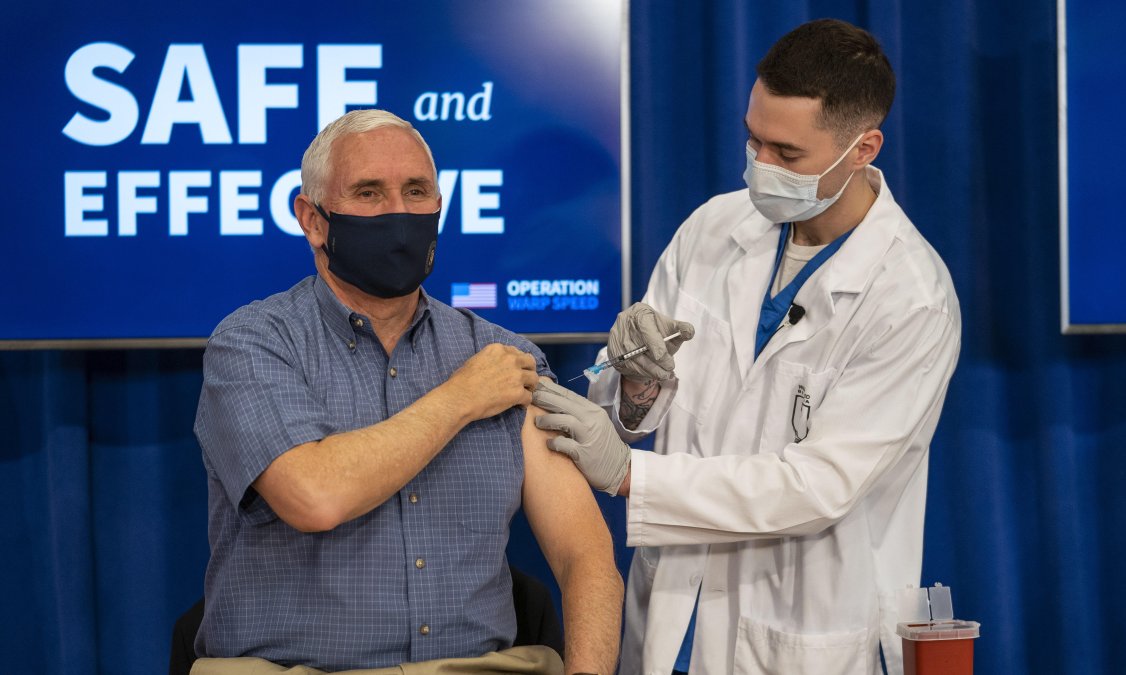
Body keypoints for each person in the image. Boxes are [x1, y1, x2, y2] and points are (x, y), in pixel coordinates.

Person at [532, 19, 961, 675]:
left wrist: (630, 474)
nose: (761, 167)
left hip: (796, 631)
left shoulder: (911, 298)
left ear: (863, 148)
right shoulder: (714, 227)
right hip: (672, 616)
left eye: (787, 154)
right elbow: (636, 413)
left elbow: (818, 486)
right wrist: (638, 388)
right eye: (753, 139)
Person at [193, 109, 622, 675]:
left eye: (416, 191)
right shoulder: (253, 343)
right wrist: (461, 398)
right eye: (368, 193)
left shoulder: (504, 356)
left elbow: (585, 557)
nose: (398, 213)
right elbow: (313, 497)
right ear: (313, 220)